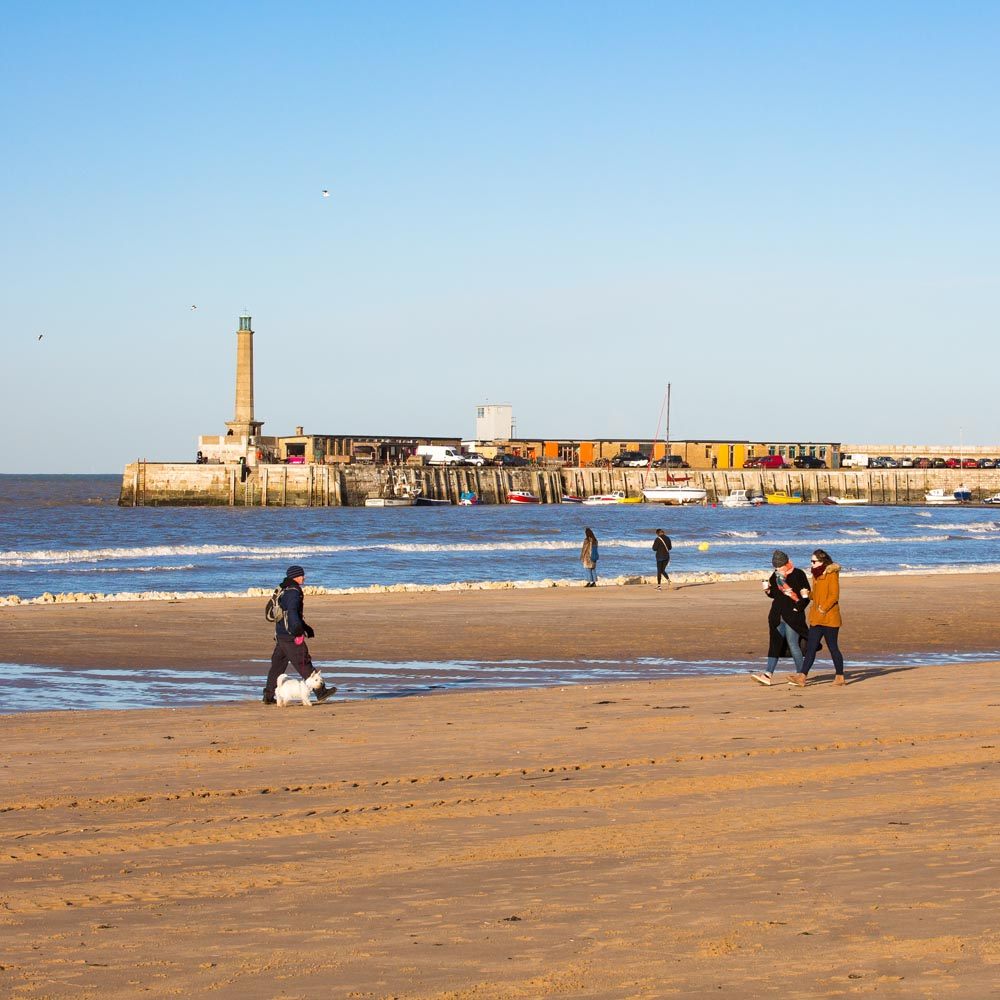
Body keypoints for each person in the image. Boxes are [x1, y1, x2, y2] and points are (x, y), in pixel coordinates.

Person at [263, 564, 336, 705]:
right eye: (302, 575)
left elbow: (289, 613)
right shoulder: (293, 592)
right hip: (290, 635)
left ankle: (268, 695)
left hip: (281, 634)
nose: (304, 577)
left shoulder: (283, 589)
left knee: (277, 666)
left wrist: (306, 628)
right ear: (296, 576)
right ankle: (321, 692)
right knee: (304, 662)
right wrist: (298, 630)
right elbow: (292, 613)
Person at [751, 549, 810, 686]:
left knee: (793, 643)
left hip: (793, 616)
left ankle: (800, 675)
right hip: (777, 615)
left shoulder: (798, 574)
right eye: (775, 566)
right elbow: (775, 595)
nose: (777, 568)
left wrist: (798, 608)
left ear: (787, 562)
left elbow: (806, 595)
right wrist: (768, 591)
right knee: (774, 644)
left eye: (780, 565)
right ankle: (767, 675)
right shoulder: (775, 576)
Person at [790, 549, 846, 687]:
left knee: (833, 648)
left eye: (814, 561)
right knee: (811, 648)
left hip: (830, 618)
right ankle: (802, 677)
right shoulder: (815, 575)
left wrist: (823, 608)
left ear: (822, 561)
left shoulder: (831, 574)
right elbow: (817, 595)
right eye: (811, 561)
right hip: (816, 618)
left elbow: (834, 596)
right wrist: (808, 594)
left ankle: (840, 677)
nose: (812, 563)